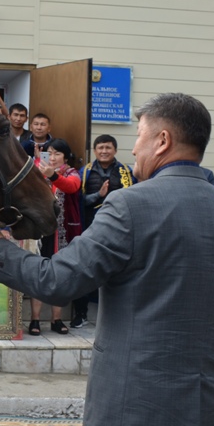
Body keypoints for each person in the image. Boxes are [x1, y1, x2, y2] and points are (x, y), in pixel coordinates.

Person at [0, 93, 214, 426]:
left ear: (162, 140)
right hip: (202, 411)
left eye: (138, 137)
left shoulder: (129, 205)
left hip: (131, 415)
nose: (133, 149)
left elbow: (57, 281)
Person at [75, 134, 134, 328]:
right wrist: (98, 196)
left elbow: (133, 199)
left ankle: (116, 316)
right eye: (100, 148)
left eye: (108, 148)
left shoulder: (126, 172)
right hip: (91, 228)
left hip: (118, 230)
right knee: (85, 268)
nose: (104, 151)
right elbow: (78, 202)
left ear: (115, 150)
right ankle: (81, 314)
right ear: (95, 151)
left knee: (117, 271)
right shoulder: (85, 172)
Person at [28, 138, 81, 336]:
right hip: (40, 232)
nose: (52, 157)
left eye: (57, 153)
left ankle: (56, 319)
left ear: (65, 157)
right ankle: (35, 319)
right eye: (48, 153)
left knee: (61, 275)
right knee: (38, 274)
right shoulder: (37, 169)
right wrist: (37, 164)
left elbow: (72, 186)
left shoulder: (71, 173)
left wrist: (53, 176)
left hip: (63, 233)